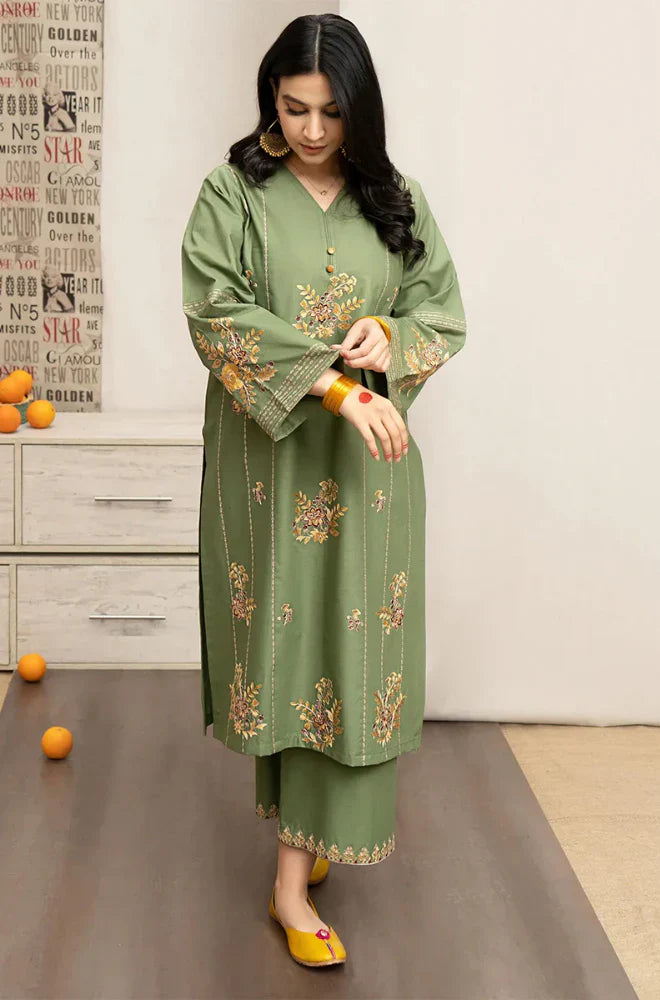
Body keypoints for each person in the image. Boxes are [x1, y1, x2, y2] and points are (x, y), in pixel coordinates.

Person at [181, 12, 467, 968]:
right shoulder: (234, 192)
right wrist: (336, 388)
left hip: (367, 476)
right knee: (293, 650)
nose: (310, 130)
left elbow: (442, 312)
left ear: (359, 108)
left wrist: (393, 335)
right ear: (271, 98)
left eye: (331, 112)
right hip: (272, 468)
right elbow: (215, 314)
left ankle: (302, 852)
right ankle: (292, 886)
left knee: (353, 655)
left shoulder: (396, 198)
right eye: (293, 106)